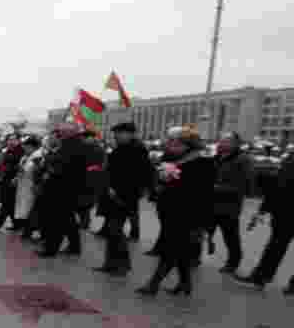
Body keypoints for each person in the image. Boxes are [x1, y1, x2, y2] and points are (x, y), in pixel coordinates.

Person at [136, 126, 215, 296]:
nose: (170, 145)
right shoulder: (175, 159)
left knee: (171, 250)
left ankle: (153, 284)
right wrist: (161, 183)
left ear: (187, 145)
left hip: (188, 214)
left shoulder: (202, 163)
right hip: (171, 211)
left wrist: (174, 181)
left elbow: (202, 192)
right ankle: (185, 284)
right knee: (181, 251)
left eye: (175, 142)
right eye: (170, 141)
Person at [231, 147, 293, 294]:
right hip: (284, 211)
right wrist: (264, 208)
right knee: (276, 245)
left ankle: (261, 276)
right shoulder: (290, 158)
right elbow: (279, 185)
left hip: (286, 210)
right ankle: (260, 276)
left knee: (276, 245)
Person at [94, 121, 151, 276]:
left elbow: (140, 176)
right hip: (113, 195)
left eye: (120, 133)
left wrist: (119, 190)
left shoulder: (137, 150)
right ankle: (110, 263)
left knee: (116, 231)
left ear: (130, 134)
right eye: (116, 133)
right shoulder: (121, 148)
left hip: (123, 197)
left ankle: (122, 266)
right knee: (112, 231)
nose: (116, 136)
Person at [37, 122, 87, 257]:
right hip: (68, 187)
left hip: (62, 187)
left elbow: (60, 164)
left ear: (70, 132)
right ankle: (75, 246)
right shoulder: (74, 144)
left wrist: (49, 163)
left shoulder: (70, 145)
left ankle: (50, 248)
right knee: (68, 219)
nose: (59, 134)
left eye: (61, 132)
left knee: (57, 219)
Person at [209, 132, 254, 274]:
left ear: (235, 143)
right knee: (202, 231)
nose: (221, 143)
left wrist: (216, 187)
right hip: (211, 203)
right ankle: (193, 257)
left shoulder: (243, 160)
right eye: (221, 140)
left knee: (230, 236)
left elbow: (244, 185)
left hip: (229, 206)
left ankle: (233, 262)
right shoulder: (217, 157)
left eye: (226, 141)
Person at [12, 136, 42, 235]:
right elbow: (21, 169)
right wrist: (16, 177)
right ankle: (25, 229)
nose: (24, 149)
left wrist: (22, 169)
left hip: (31, 185)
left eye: (26, 147)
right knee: (23, 207)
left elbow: (35, 171)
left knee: (29, 207)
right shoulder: (25, 156)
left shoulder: (38, 156)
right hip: (23, 184)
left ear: (32, 146)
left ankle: (30, 230)